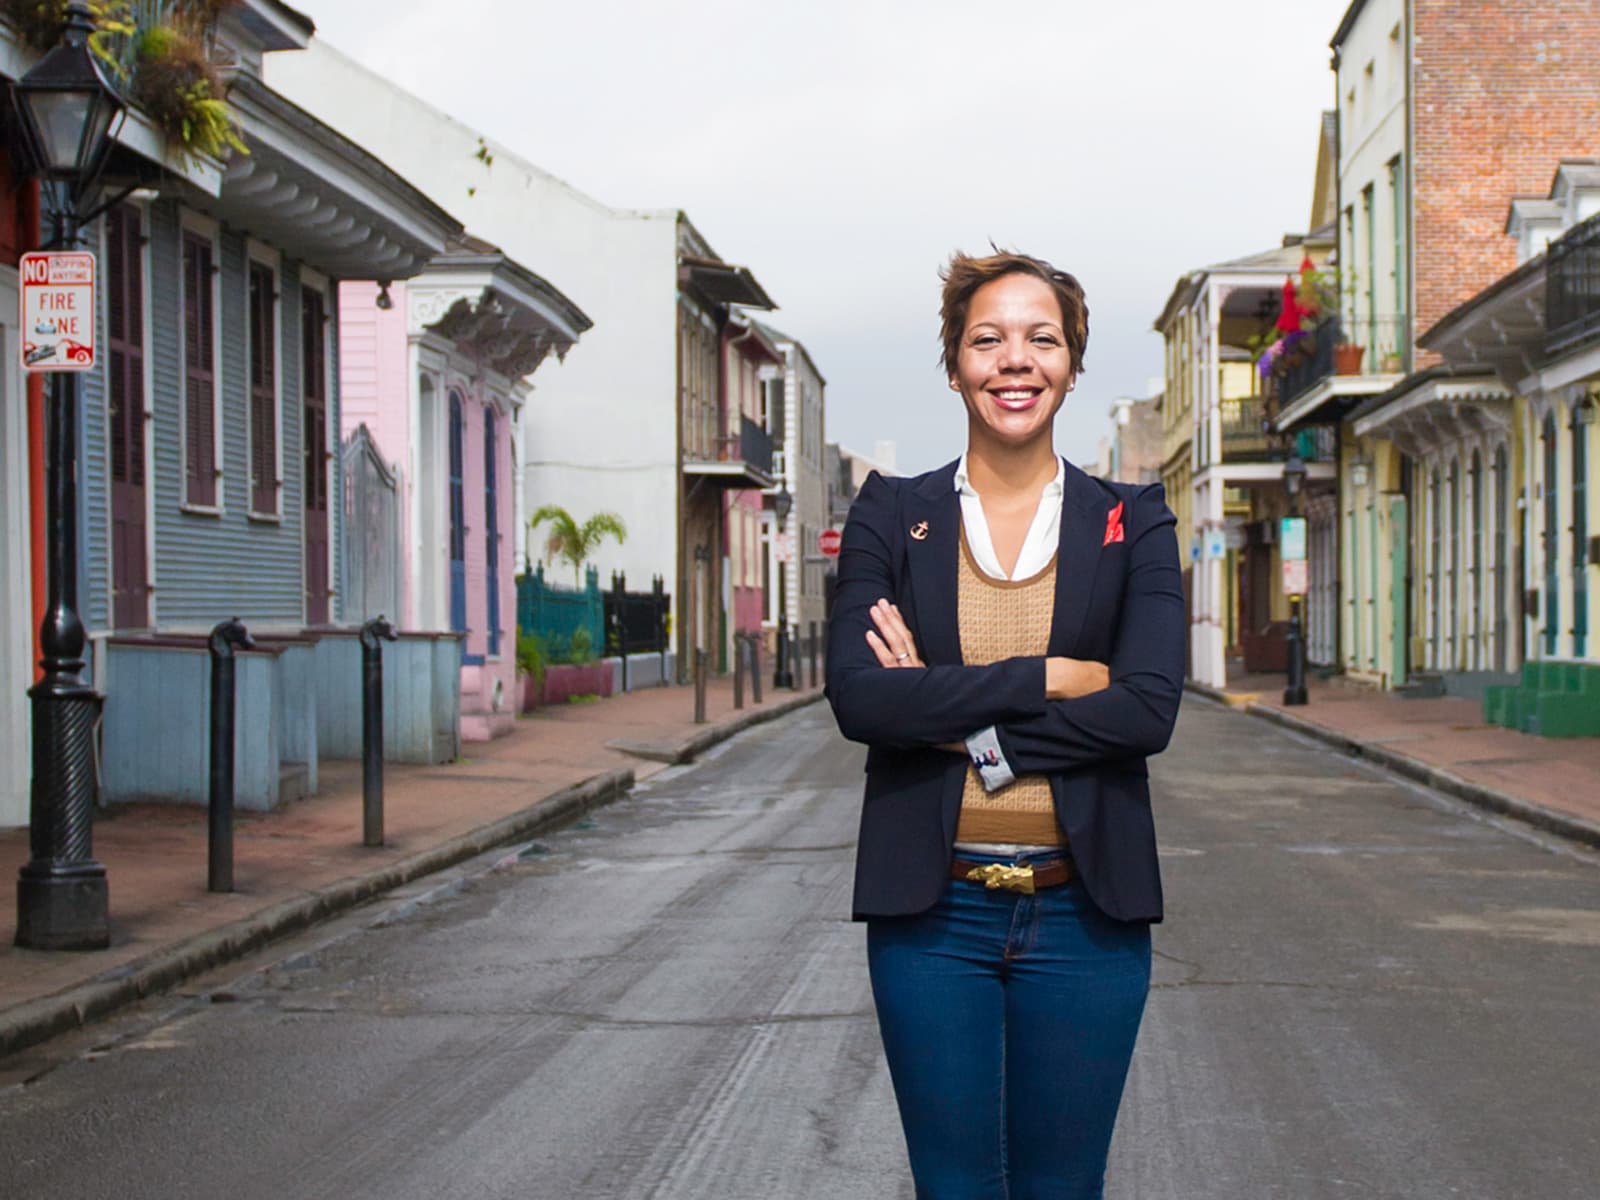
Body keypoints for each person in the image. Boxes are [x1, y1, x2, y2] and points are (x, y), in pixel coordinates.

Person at [824, 249, 1185, 1199]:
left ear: (1070, 364)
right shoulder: (888, 513)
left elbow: (1146, 710)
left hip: (1085, 921)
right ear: (954, 365)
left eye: (1041, 339)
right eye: (987, 339)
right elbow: (862, 699)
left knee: (1064, 1190)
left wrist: (953, 721)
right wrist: (1053, 677)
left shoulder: (1133, 520)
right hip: (932, 921)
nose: (1014, 360)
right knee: (954, 1189)